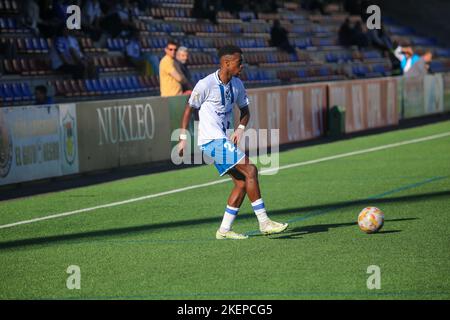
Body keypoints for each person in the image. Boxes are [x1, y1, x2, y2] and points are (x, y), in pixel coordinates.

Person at [177, 45, 289, 240]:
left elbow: (245, 111)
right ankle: (264, 222)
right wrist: (183, 138)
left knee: (241, 182)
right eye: (239, 62)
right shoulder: (205, 84)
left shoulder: (237, 84)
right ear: (227, 63)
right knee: (251, 170)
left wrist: (240, 129)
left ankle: (224, 230)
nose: (242, 65)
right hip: (212, 140)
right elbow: (188, 110)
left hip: (223, 138)